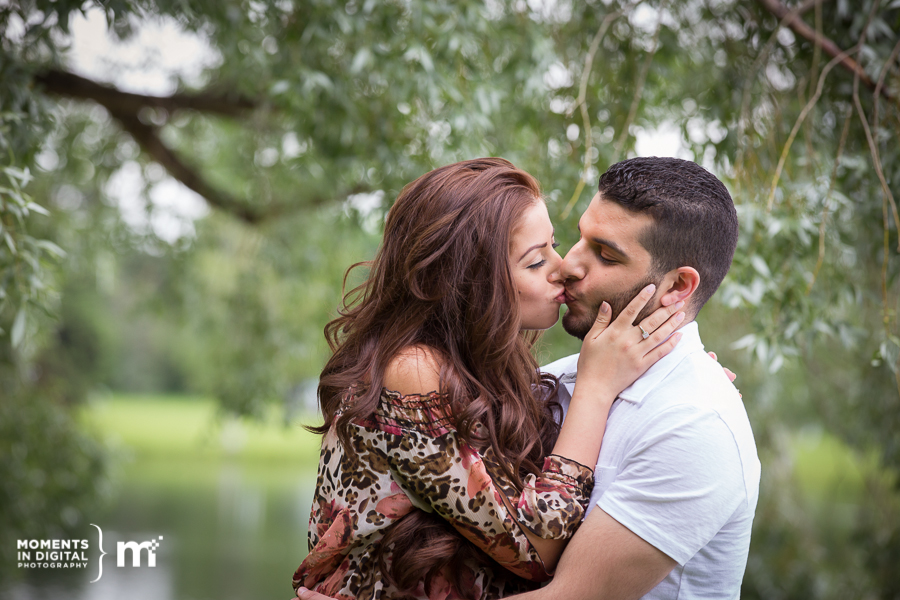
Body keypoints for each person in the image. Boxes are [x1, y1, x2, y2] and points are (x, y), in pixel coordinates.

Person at [297, 156, 760, 600]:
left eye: (604, 254)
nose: (568, 265)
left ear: (678, 287)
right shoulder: (558, 384)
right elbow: (527, 545)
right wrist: (611, 389)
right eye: (565, 246)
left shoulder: (694, 420)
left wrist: (692, 390)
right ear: (471, 281)